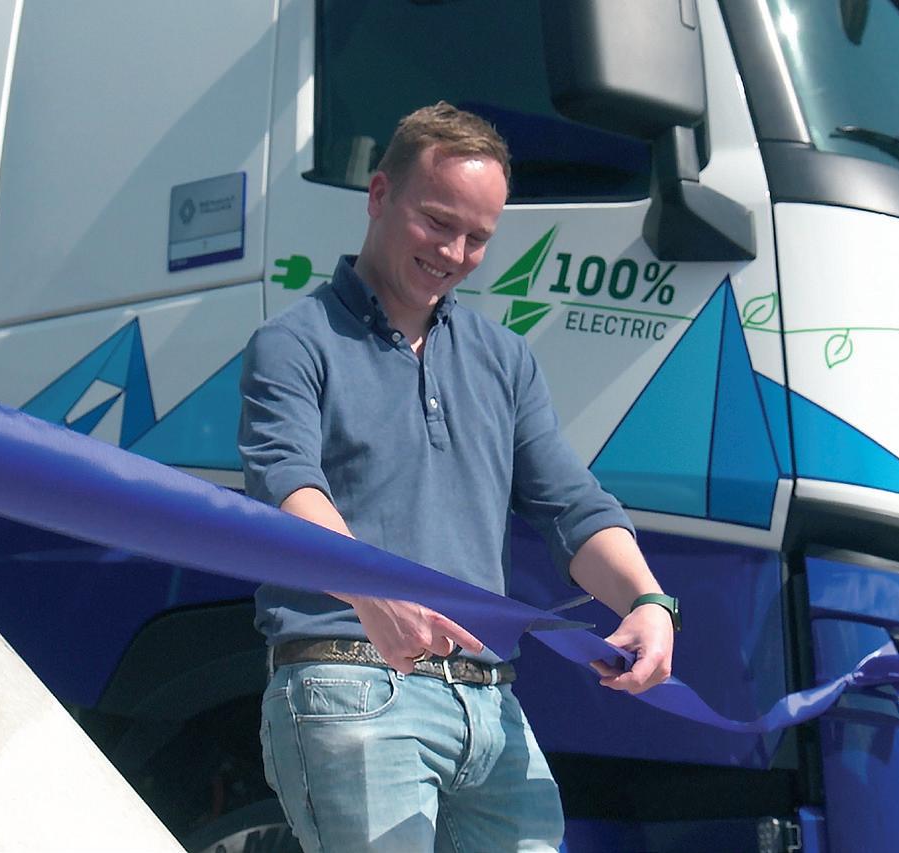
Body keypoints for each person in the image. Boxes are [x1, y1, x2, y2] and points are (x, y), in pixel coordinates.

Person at [239, 102, 677, 853]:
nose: (455, 252)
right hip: (351, 683)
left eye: (478, 237)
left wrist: (648, 600)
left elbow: (570, 504)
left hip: (492, 707)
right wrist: (373, 591)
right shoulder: (293, 343)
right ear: (380, 195)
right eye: (438, 222)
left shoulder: (504, 358)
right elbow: (286, 485)